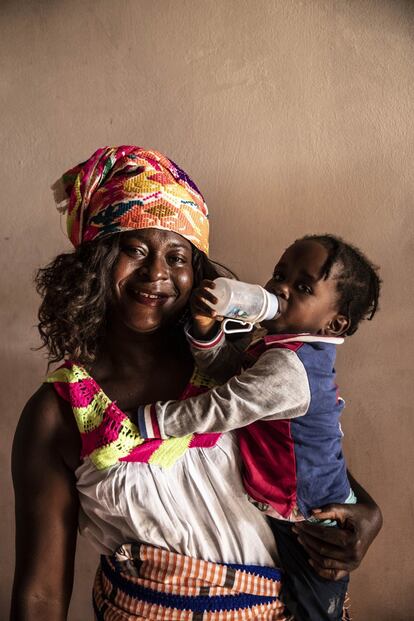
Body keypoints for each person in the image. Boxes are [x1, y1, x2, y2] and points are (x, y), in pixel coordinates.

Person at [10, 146, 382, 621]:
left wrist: (368, 513)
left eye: (177, 256)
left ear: (197, 272)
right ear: (96, 261)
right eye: (135, 250)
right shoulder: (59, 411)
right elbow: (40, 596)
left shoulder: (232, 363)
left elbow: (306, 448)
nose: (157, 273)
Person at [135, 234, 381, 619]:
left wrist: (154, 420)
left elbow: (224, 404)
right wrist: (205, 331)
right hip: (293, 499)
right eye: (279, 273)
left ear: (335, 323)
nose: (280, 287)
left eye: (302, 287)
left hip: (312, 522)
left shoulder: (289, 368)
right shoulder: (279, 347)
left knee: (315, 607)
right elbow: (230, 375)